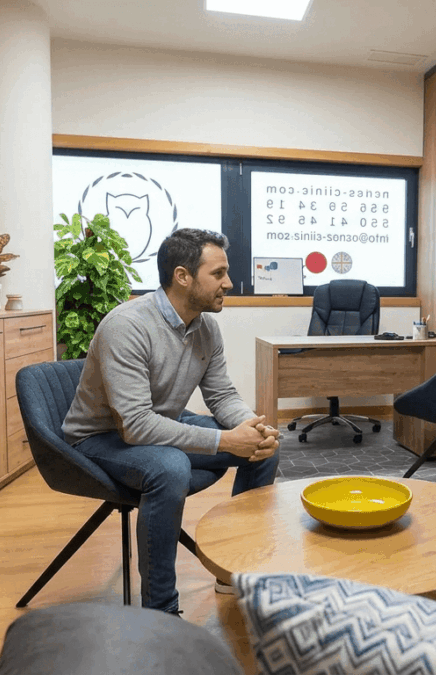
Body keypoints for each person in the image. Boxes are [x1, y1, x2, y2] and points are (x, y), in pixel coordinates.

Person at [62, 228, 280, 615]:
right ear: (182, 276)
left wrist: (251, 428)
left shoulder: (205, 326)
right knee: (170, 467)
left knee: (263, 451)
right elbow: (136, 426)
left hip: (159, 421)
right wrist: (226, 442)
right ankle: (160, 610)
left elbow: (222, 395)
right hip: (102, 437)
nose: (228, 283)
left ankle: (233, 570)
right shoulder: (127, 326)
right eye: (218, 274)